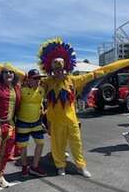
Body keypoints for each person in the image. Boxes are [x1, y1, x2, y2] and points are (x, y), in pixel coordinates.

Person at [38, 38, 104, 177]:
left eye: (61, 69)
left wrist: (101, 72)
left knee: (76, 143)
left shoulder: (73, 80)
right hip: (55, 120)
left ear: (66, 68)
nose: (59, 72)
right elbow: (31, 81)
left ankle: (81, 167)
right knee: (57, 144)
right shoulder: (47, 82)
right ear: (51, 70)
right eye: (56, 69)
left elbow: (90, 76)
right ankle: (60, 166)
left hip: (71, 119)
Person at [16, 69, 47, 177]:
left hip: (37, 122)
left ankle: (34, 167)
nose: (38, 80)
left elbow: (41, 105)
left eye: (39, 78)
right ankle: (24, 167)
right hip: (22, 123)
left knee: (41, 143)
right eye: (35, 78)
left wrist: (43, 119)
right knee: (23, 146)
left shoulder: (42, 90)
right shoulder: (21, 90)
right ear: (29, 79)